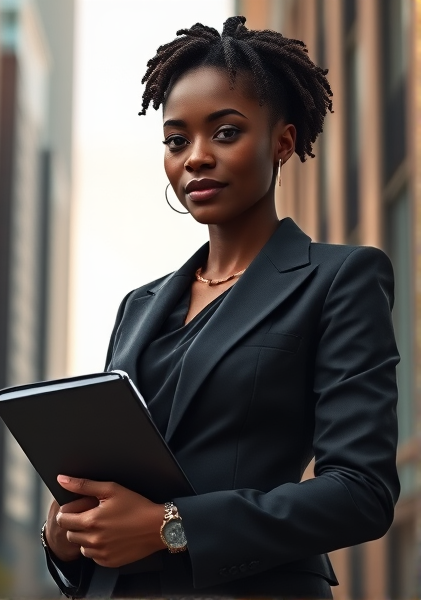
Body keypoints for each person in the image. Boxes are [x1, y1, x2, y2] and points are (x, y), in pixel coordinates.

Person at [40, 16, 400, 599]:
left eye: (226, 133)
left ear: (282, 142)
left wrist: (171, 528)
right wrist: (64, 530)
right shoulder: (140, 306)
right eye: (177, 140)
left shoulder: (339, 279)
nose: (196, 158)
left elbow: (361, 492)